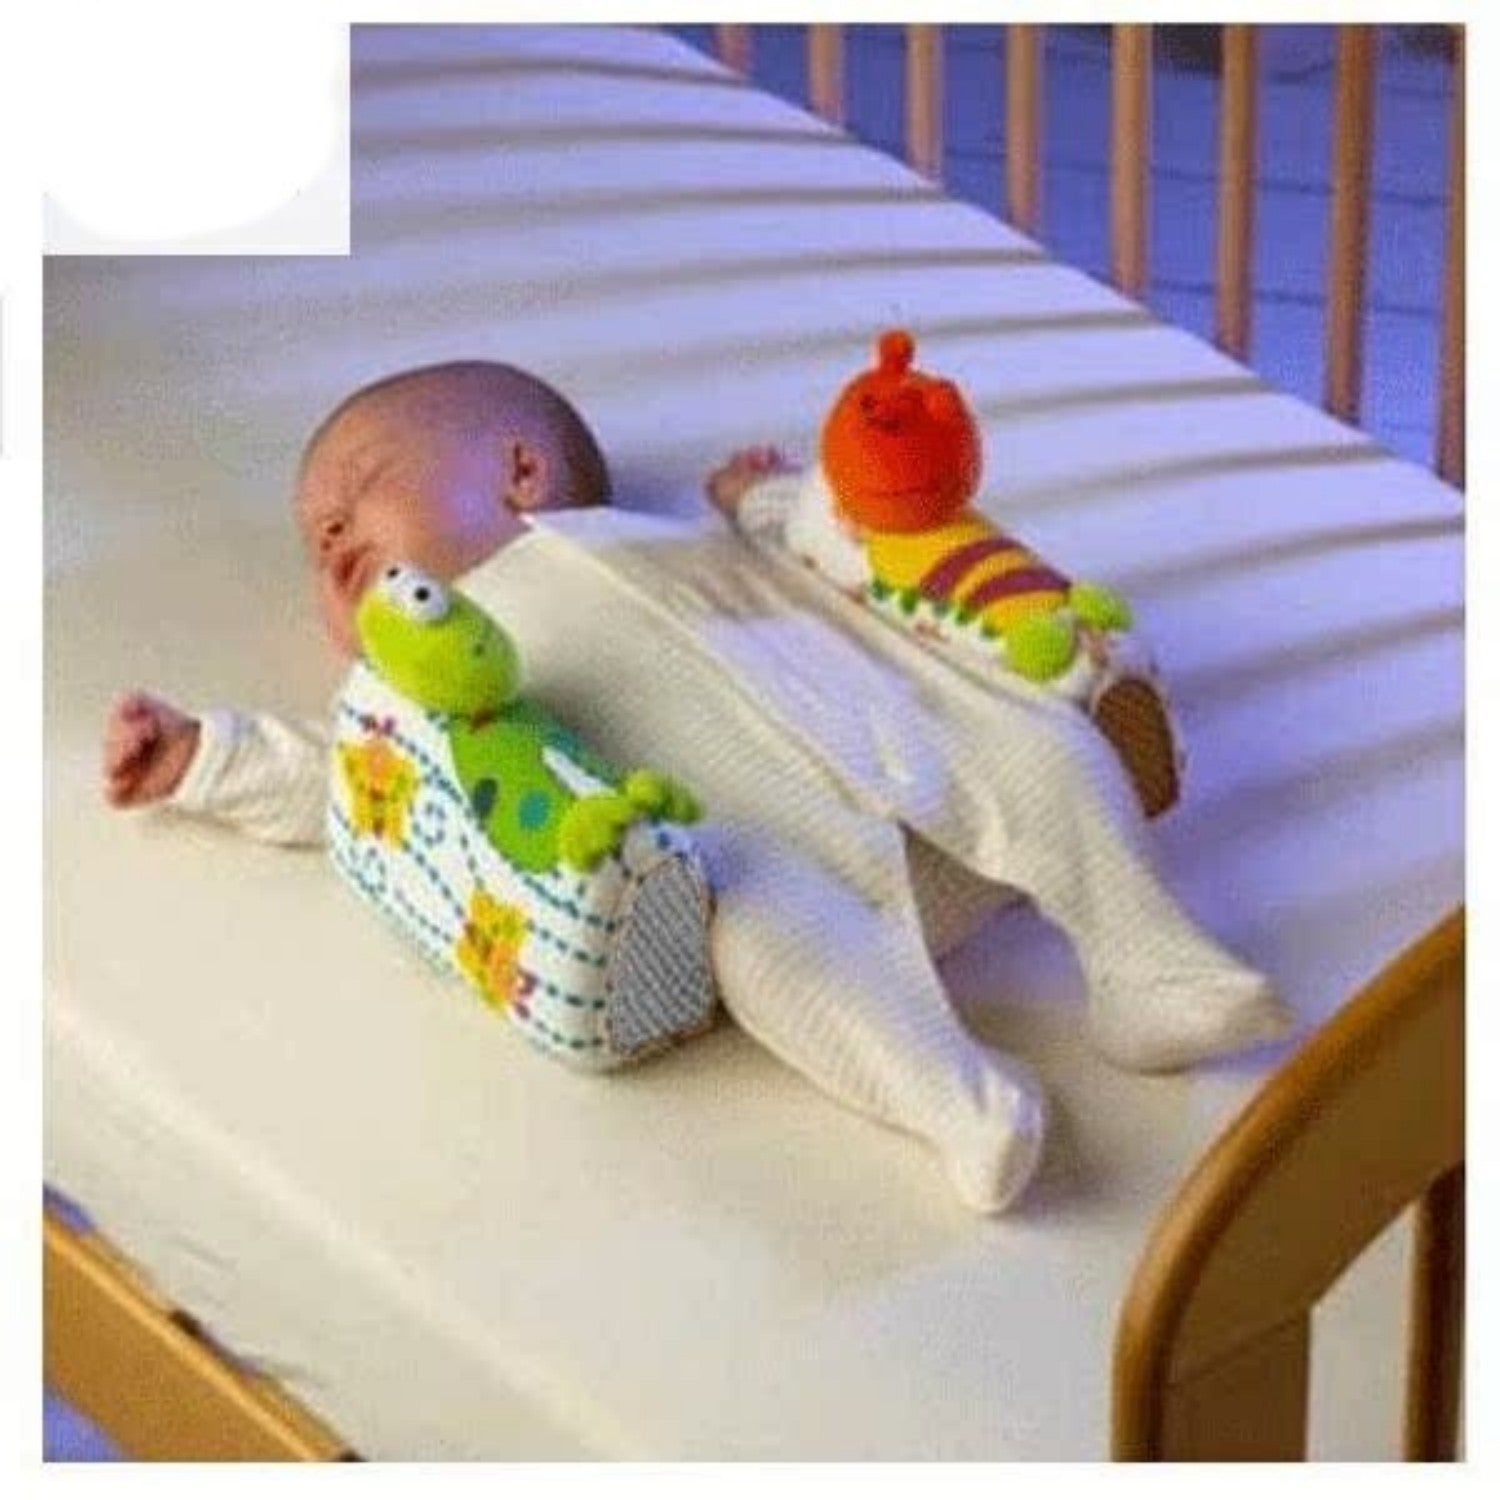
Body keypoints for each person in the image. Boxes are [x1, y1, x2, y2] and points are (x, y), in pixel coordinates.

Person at [101, 359, 1290, 1215]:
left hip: (903, 756)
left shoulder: (656, 535)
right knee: (750, 936)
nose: (326, 539)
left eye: (356, 492)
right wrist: (205, 758)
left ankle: (1152, 966)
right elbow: (354, 785)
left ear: (521, 472)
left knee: (1039, 745)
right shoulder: (430, 687)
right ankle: (962, 1102)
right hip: (776, 865)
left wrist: (765, 502)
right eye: (315, 543)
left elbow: (829, 561)